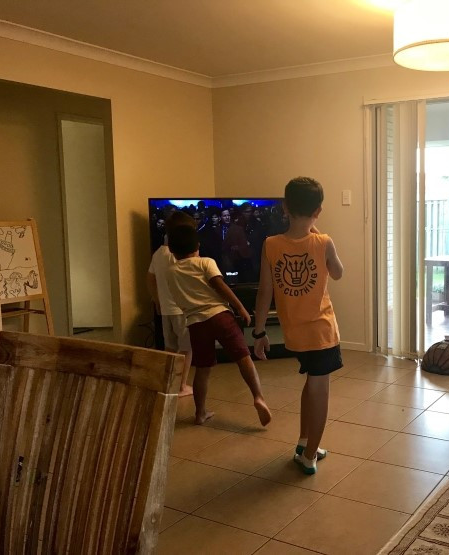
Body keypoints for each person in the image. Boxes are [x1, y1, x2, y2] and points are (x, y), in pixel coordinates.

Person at [253, 177, 344, 475]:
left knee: (311, 382)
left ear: (284, 207)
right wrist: (318, 235)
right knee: (320, 391)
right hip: (321, 333)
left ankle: (305, 441)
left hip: (294, 334)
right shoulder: (324, 241)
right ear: (318, 211)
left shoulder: (270, 245)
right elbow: (338, 272)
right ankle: (309, 456)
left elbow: (264, 292)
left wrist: (260, 332)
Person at [166, 224, 272, 426]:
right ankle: (258, 397)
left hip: (196, 323)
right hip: (220, 316)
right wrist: (240, 307)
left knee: (202, 369)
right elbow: (220, 286)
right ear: (197, 246)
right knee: (243, 358)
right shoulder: (205, 262)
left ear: (171, 249)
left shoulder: (170, 271)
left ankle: (200, 413)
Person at [147, 211, 195, 397]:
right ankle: (181, 385)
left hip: (166, 308)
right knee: (187, 348)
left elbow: (150, 278)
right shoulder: (178, 255)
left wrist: (156, 299)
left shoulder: (158, 253)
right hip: (181, 309)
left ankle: (169, 383)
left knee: (170, 347)